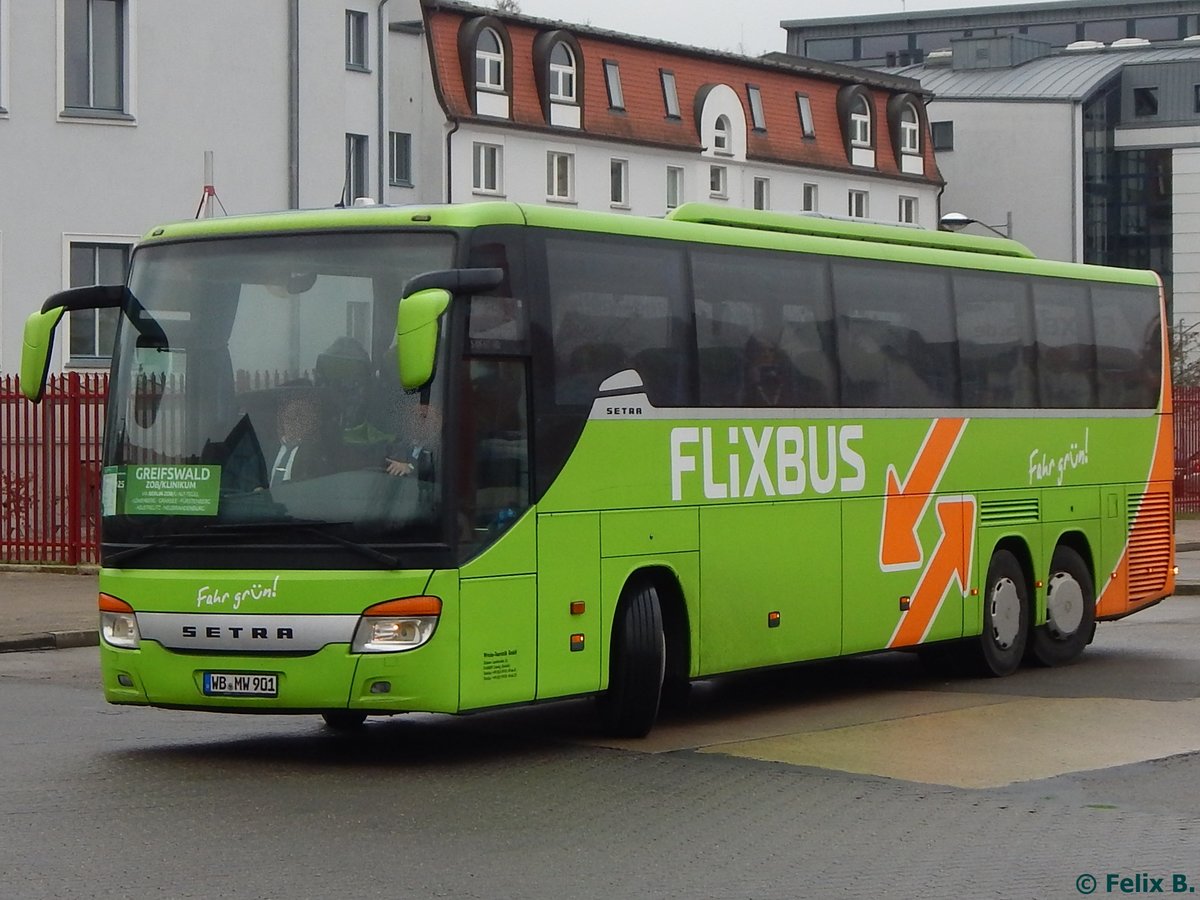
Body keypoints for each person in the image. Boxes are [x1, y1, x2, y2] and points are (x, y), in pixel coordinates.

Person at [269, 390, 330, 486]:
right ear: (282, 419)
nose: (295, 423)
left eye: (301, 418)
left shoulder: (315, 454)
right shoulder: (266, 449)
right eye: (291, 417)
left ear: (312, 422)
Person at [385, 400, 440, 479]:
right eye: (413, 416)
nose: (416, 421)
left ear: (438, 422)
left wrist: (410, 469)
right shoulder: (395, 444)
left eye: (424, 417)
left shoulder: (442, 451)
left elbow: (437, 475)